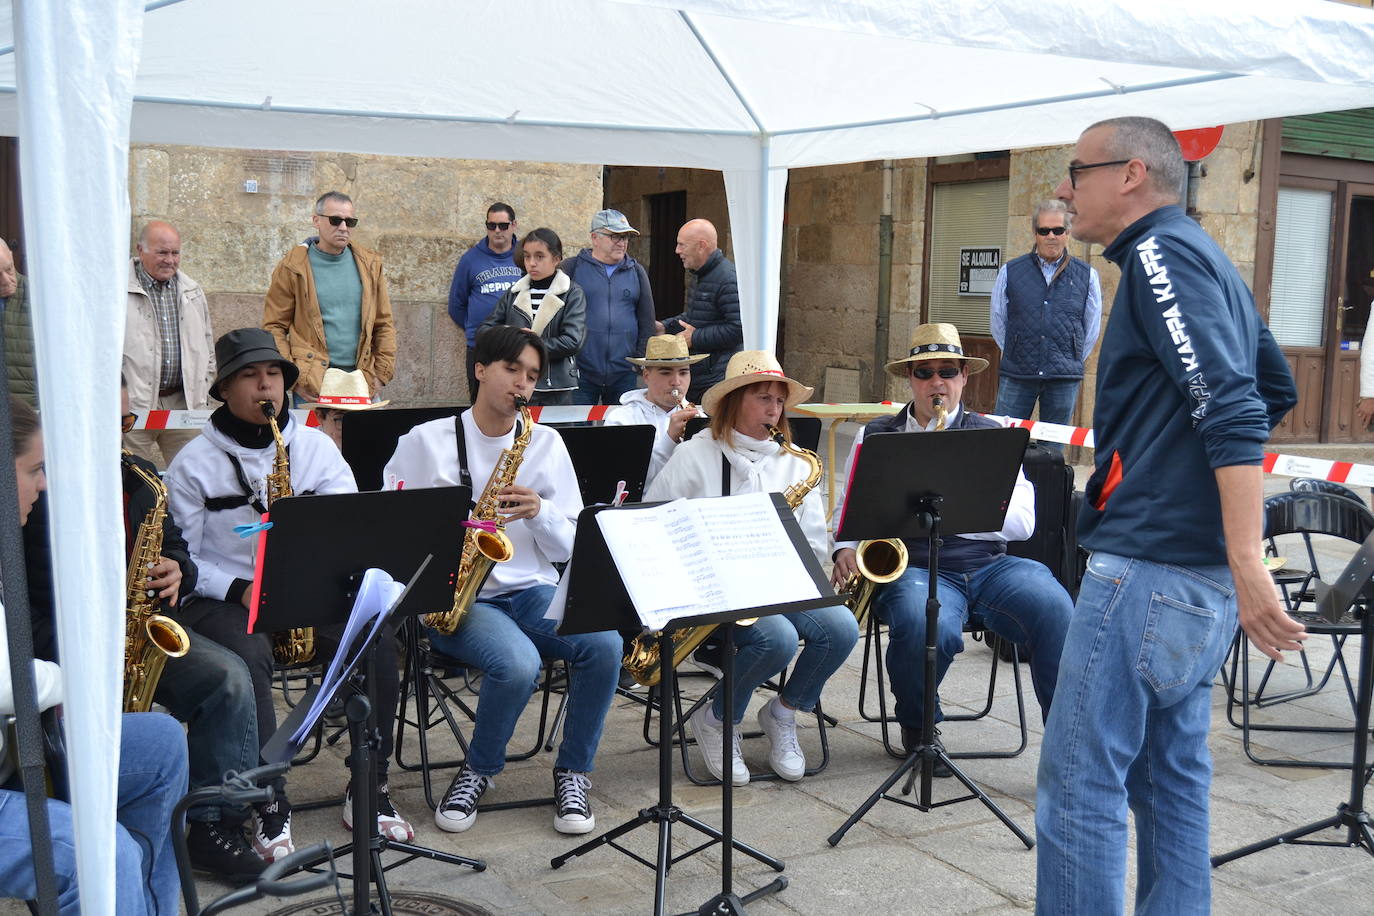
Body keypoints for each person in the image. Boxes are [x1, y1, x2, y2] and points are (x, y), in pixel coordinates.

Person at [1035, 116, 1304, 916]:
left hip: (1151, 569)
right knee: (1171, 782)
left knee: (1082, 783)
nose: (1061, 187)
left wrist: (1248, 558)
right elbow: (1272, 388)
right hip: (1191, 577)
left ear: (1130, 175)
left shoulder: (1159, 254)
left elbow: (1234, 404)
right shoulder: (1203, 255)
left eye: (1075, 171)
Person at [165, 329, 414, 860]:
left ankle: (371, 783)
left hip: (307, 589)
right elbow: (183, 558)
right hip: (226, 596)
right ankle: (267, 797)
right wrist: (241, 587)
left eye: (274, 375)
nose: (266, 387)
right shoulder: (193, 464)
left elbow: (349, 523)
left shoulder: (315, 448)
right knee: (247, 655)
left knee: (376, 636)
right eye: (252, 376)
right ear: (226, 389)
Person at [383, 325, 621, 836]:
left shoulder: (545, 443)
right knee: (518, 664)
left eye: (532, 376)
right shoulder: (424, 442)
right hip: (458, 597)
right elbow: (392, 527)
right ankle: (478, 770)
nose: (522, 384)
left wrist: (540, 512)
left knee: (604, 644)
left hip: (531, 589)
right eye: (512, 369)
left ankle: (574, 772)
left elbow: (573, 545)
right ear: (480, 370)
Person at [831, 323, 1073, 775]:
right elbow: (850, 509)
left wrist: (951, 514)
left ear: (965, 377)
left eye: (947, 371)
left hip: (989, 566)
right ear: (911, 380)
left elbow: (1023, 522)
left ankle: (1067, 746)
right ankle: (920, 725)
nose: (936, 382)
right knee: (927, 626)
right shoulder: (877, 436)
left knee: (1056, 607)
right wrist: (844, 546)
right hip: (917, 567)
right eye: (924, 372)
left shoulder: (993, 434)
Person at [0, 394, 189, 915]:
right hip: (31, 714)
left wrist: (177, 567)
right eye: (34, 469)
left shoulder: (141, 478)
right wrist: (81, 675)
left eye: (124, 420)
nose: (43, 482)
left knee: (165, 740)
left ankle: (151, 907)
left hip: (20, 740)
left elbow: (177, 550)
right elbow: (7, 678)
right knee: (106, 853)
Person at [646, 351, 858, 784]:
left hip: (777, 583)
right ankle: (719, 718)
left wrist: (831, 558)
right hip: (714, 587)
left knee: (842, 629)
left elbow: (815, 541)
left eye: (779, 402)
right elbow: (654, 521)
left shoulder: (798, 461)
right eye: (763, 399)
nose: (774, 411)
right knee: (776, 639)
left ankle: (784, 712)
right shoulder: (694, 455)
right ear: (734, 402)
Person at [262, 191, 396, 405]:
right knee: (313, 440)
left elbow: (384, 324)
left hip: (362, 381)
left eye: (349, 221)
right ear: (316, 221)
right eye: (335, 220)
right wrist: (294, 378)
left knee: (365, 439)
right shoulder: (293, 267)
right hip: (313, 384)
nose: (343, 227)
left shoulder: (369, 265)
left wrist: (380, 376)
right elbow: (274, 327)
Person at [989, 200, 1103, 445]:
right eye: (1044, 230)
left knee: (1052, 451)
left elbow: (1091, 328)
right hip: (1017, 373)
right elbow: (998, 322)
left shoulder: (1087, 275)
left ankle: (1047, 486)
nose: (1051, 236)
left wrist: (1069, 356)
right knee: (1003, 444)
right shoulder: (1010, 271)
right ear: (1035, 233)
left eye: (1058, 230)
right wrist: (1016, 349)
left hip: (1063, 378)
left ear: (1068, 233)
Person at [124, 220, 217, 468]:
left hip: (183, 402)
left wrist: (203, 388)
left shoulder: (192, 291)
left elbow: (207, 348)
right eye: (162, 252)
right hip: (134, 402)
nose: (170, 260)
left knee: (193, 476)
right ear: (140, 249)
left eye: (175, 253)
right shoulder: (117, 290)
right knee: (133, 480)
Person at [479, 228, 586, 406]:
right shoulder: (514, 293)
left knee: (555, 434)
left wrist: (530, 345)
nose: (532, 263)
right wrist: (512, 338)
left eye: (539, 256)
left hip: (556, 387)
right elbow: (484, 331)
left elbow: (573, 341)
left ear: (556, 259)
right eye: (527, 256)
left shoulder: (572, 293)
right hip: (516, 384)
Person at [561, 209, 656, 405]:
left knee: (620, 433)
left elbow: (647, 322)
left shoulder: (637, 272)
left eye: (625, 237)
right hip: (580, 373)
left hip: (624, 374)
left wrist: (638, 362)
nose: (622, 242)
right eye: (614, 236)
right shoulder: (571, 269)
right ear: (594, 237)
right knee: (578, 432)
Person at [660, 218, 742, 403]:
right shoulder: (701, 275)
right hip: (700, 375)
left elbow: (738, 329)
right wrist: (665, 326)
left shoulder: (728, 279)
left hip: (715, 378)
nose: (677, 251)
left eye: (682, 245)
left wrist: (695, 338)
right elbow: (697, 317)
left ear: (701, 246)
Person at [604, 334, 703, 485]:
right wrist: (670, 439)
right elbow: (631, 480)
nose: (676, 382)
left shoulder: (699, 417)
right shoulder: (622, 419)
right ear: (646, 376)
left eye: (683, 372)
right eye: (665, 372)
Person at [449, 202, 523, 400]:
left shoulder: (524, 257)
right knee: (480, 403)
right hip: (481, 348)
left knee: (515, 404)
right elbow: (457, 304)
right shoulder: (470, 259)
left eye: (503, 225)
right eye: (492, 226)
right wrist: (475, 329)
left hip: (517, 347)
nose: (497, 231)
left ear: (514, 225)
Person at [303, 366, 391, 451]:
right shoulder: (306, 450)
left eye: (360, 419)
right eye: (341, 420)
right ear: (320, 416)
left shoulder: (377, 448)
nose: (352, 430)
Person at [0, 238, 36, 406]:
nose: (7, 280)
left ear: (12, 257)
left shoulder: (38, 298)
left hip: (27, 415)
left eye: (9, 269)